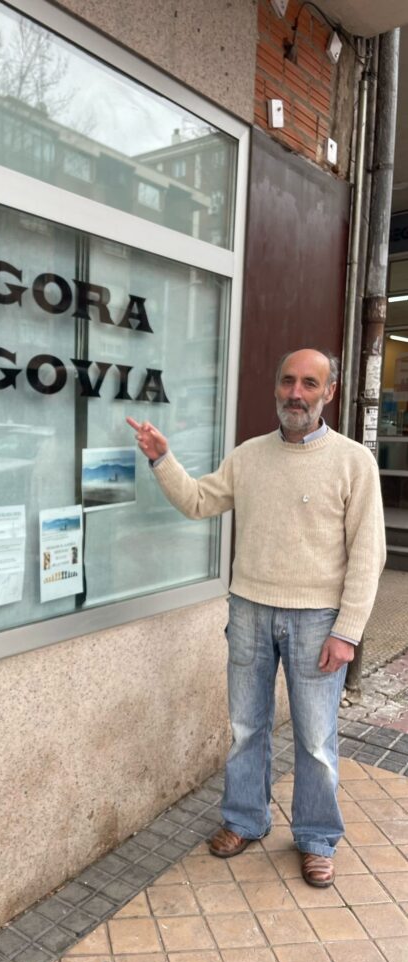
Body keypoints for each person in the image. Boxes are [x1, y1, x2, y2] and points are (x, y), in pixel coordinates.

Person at [127, 349, 385, 889]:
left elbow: (368, 553)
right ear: (276, 387)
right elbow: (198, 502)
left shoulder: (354, 461)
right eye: (288, 381)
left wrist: (347, 632)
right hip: (248, 609)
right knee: (247, 728)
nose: (296, 393)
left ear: (329, 392)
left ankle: (316, 838)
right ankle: (246, 819)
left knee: (316, 740)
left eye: (309, 383)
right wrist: (162, 459)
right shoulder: (248, 456)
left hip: (318, 620)